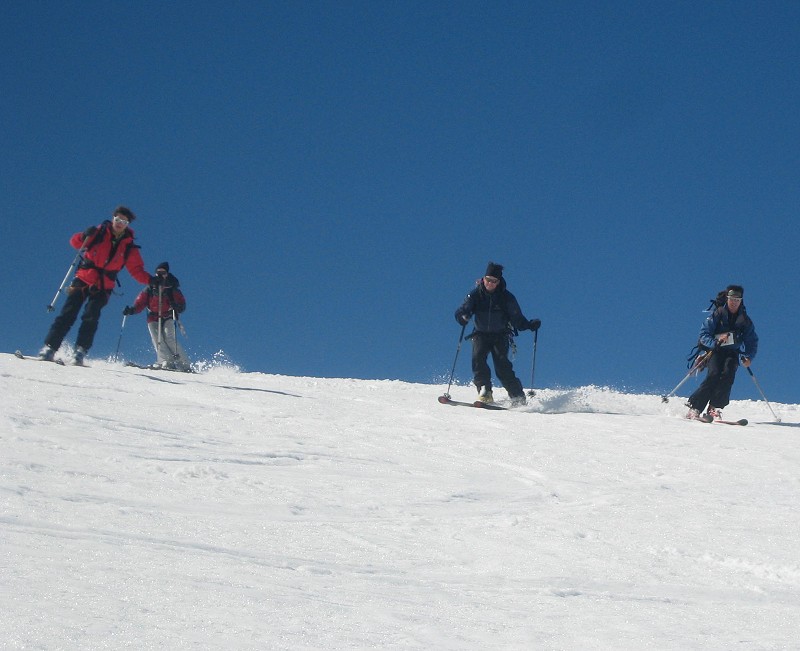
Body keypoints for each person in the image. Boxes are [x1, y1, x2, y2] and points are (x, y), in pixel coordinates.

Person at [40, 206, 153, 365]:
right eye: (118, 219)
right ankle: (50, 348)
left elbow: (136, 270)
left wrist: (152, 281)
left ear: (128, 224)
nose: (120, 223)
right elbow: (76, 242)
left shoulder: (128, 246)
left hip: (104, 285)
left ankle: (80, 351)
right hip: (83, 279)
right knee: (68, 313)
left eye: (124, 221)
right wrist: (84, 235)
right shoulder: (98, 233)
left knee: (91, 317)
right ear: (113, 218)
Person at [454, 262, 541, 406]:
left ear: (498, 282)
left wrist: (530, 325)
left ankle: (517, 397)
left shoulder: (506, 298)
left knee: (502, 367)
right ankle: (485, 392)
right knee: (478, 360)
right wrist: (462, 316)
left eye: (494, 281)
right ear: (483, 279)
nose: (490, 283)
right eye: (488, 280)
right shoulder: (475, 295)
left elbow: (517, 318)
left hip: (500, 336)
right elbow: (463, 309)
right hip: (480, 334)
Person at [686, 285, 758, 421]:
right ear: (727, 299)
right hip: (715, 351)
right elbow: (704, 334)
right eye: (731, 299)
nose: (734, 302)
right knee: (714, 374)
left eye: (737, 299)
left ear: (741, 301)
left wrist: (748, 356)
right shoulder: (718, 314)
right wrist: (716, 341)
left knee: (728, 373)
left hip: (732, 352)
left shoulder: (745, 320)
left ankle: (714, 407)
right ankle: (695, 408)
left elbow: (752, 340)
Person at [123, 262, 191, 371]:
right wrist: (132, 310)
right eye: (158, 273)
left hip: (168, 315)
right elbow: (141, 302)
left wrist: (177, 308)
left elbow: (182, 303)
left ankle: (184, 363)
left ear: (167, 274)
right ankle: (166, 360)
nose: (160, 275)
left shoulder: (171, 287)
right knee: (157, 338)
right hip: (153, 317)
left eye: (163, 273)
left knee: (169, 338)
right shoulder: (150, 288)